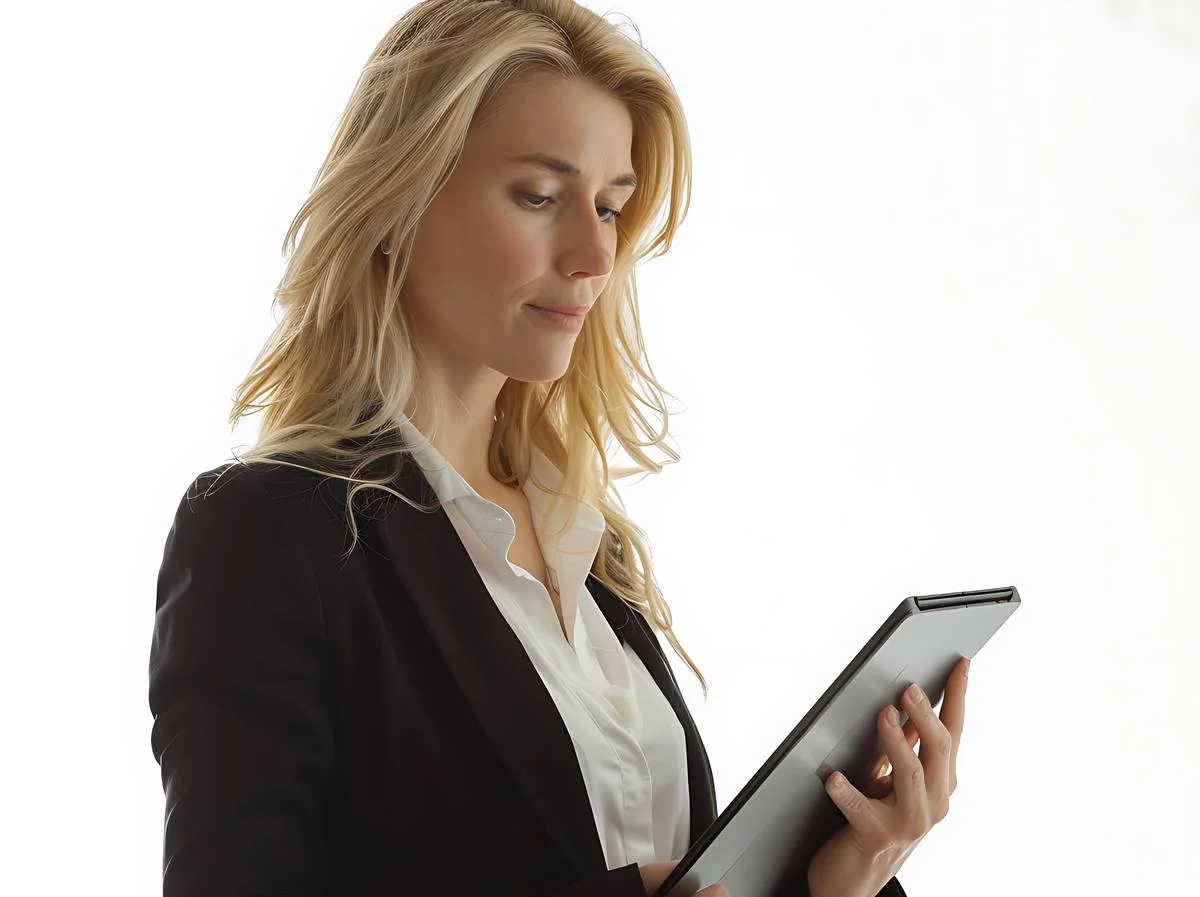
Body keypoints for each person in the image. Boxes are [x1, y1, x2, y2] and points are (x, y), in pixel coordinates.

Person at [147, 1, 971, 895]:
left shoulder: (590, 548)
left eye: (611, 207)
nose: (593, 255)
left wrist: (835, 877)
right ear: (402, 195)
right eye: (540, 196)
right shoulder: (265, 532)